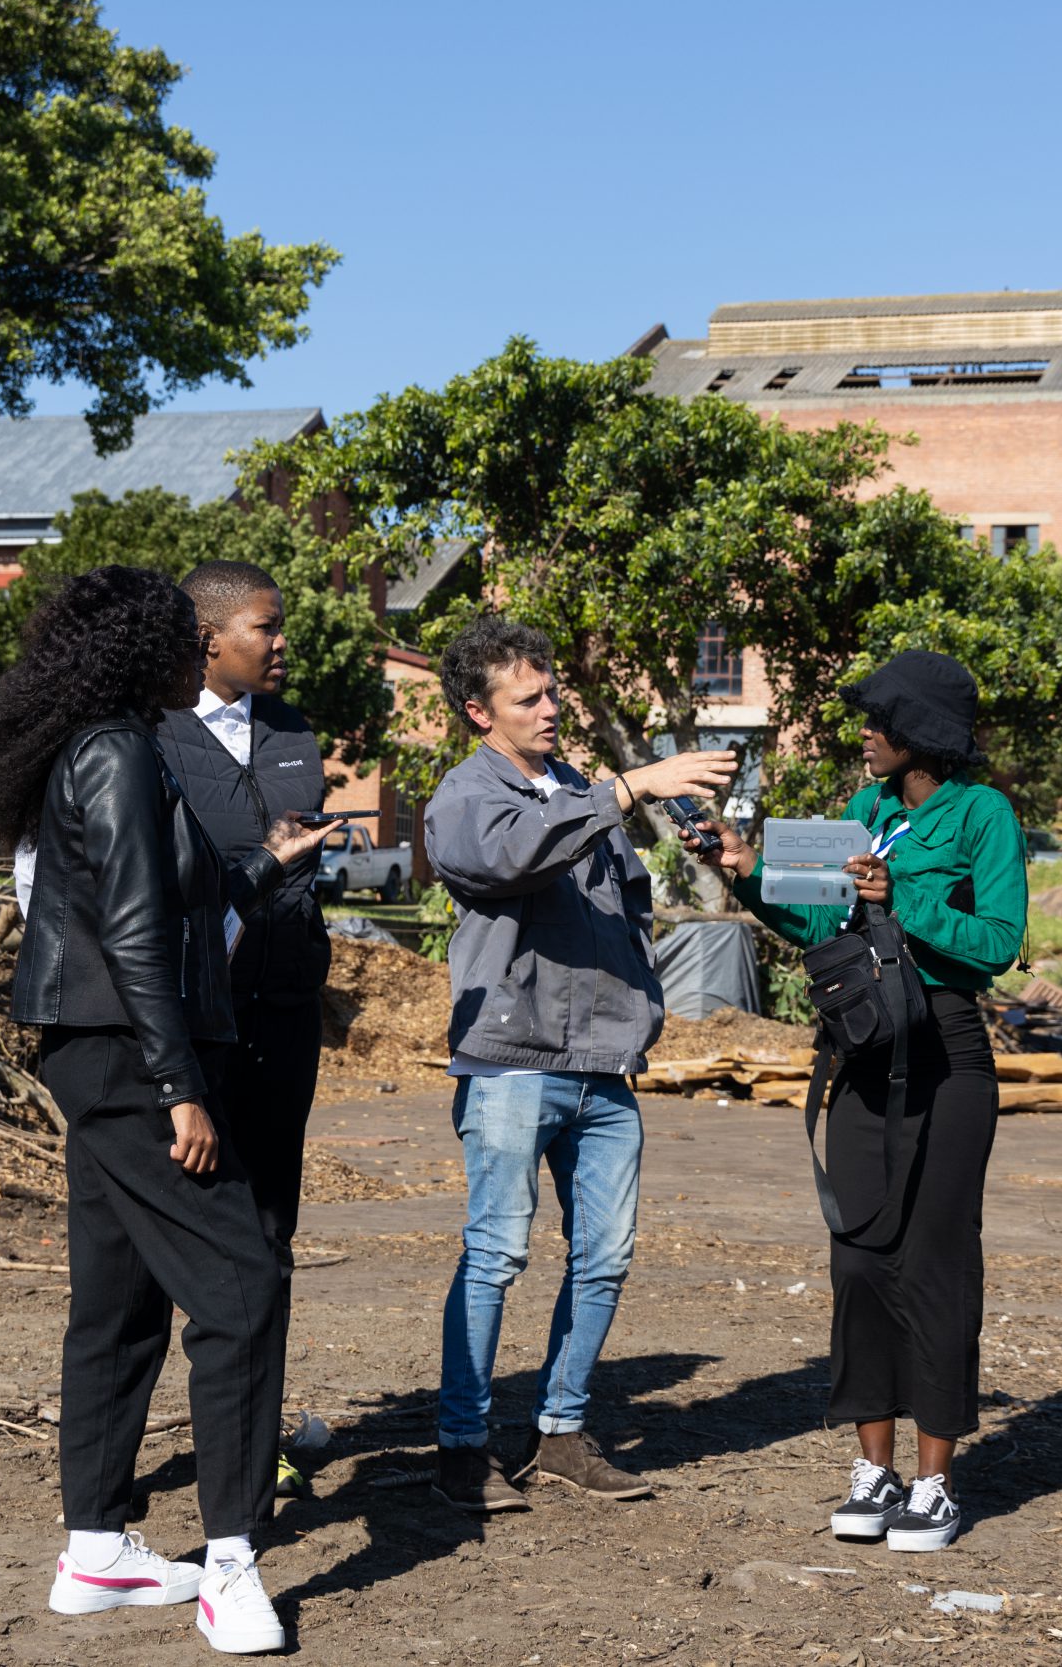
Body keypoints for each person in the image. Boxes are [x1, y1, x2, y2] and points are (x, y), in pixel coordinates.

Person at [0, 564, 339, 1656]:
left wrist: (264, 864)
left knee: (119, 1298)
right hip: (129, 1060)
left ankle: (97, 1550)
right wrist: (180, 1088)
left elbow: (183, 895)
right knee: (242, 1283)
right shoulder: (119, 753)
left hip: (99, 1051)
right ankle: (230, 1562)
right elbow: (133, 933)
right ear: (150, 652)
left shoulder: (115, 751)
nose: (202, 655)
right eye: (188, 640)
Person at [419, 616, 737, 1513]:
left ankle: (559, 1431)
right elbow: (513, 854)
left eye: (553, 689)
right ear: (480, 712)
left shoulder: (576, 789)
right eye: (530, 697)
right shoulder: (466, 798)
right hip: (513, 1063)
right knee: (497, 1253)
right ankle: (462, 1444)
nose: (552, 706)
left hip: (604, 1067)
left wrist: (645, 1011)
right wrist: (629, 786)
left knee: (603, 1255)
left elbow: (621, 914)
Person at [712, 650, 1026, 1554]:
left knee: (932, 1263)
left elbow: (1000, 942)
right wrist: (743, 871)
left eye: (875, 719)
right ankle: (873, 1469)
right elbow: (816, 920)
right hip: (862, 1054)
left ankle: (935, 1483)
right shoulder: (864, 811)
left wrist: (905, 907)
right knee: (858, 1262)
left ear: (917, 729)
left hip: (946, 1060)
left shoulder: (982, 815)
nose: (862, 733)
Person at [155, 560, 335, 1498]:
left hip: (284, 1020)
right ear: (209, 638)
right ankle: (146, 1449)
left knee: (271, 1231)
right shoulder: (155, 740)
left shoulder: (297, 733)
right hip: (192, 1031)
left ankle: (255, 1442)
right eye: (265, 627)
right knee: (175, 1245)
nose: (280, 642)